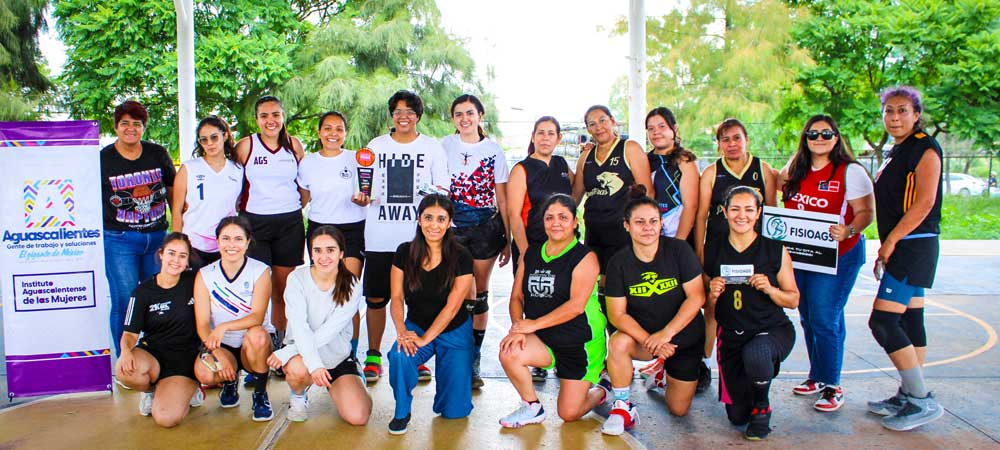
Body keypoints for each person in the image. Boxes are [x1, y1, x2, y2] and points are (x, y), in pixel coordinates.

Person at [779, 115, 874, 412]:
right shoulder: (796, 166)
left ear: (836, 137)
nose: (819, 138)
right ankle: (818, 376)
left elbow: (866, 212)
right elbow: (775, 180)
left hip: (839, 256)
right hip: (805, 255)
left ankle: (833, 385)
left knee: (824, 316)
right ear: (805, 138)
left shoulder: (850, 171)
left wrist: (849, 229)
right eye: (812, 133)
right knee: (810, 315)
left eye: (826, 133)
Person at [866, 86, 945, 431]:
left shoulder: (925, 149)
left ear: (916, 114)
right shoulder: (897, 151)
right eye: (888, 111)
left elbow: (925, 203)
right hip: (906, 244)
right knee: (911, 321)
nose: (894, 118)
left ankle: (920, 398)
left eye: (901, 111)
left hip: (914, 244)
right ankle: (909, 393)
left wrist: (892, 241)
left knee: (882, 322)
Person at [498, 194, 610, 428]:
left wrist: (533, 325)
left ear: (575, 222)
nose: (556, 223)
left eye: (563, 217)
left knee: (569, 413)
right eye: (550, 218)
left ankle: (603, 388)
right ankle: (532, 407)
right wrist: (518, 326)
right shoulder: (531, 253)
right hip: (545, 339)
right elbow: (517, 296)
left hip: (579, 342)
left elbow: (576, 306)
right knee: (510, 350)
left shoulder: (585, 257)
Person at [361, 90, 449, 384]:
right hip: (379, 236)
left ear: (418, 116)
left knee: (418, 298)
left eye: (409, 111)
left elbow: (443, 190)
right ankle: (373, 354)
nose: (403, 116)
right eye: (398, 111)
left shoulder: (432, 147)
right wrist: (362, 198)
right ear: (392, 116)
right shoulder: (376, 146)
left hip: (418, 239)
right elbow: (365, 187)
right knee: (376, 297)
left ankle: (417, 352)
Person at [602, 197, 706, 435]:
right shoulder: (619, 263)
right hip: (646, 340)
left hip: (684, 339)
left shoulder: (679, 250)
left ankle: (661, 373)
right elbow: (616, 315)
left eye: (653, 221)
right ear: (627, 225)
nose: (648, 227)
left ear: (661, 224)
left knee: (678, 409)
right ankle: (623, 406)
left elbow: (697, 297)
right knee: (618, 341)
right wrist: (653, 342)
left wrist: (665, 335)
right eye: (639, 222)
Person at [703, 186, 798, 440]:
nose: (741, 215)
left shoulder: (774, 249)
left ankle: (762, 408)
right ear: (724, 212)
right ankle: (753, 388)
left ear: (759, 213)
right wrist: (711, 294)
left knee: (757, 353)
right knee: (736, 417)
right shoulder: (712, 249)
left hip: (771, 330)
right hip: (732, 335)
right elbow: (706, 306)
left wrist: (770, 290)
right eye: (734, 209)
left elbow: (793, 300)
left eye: (748, 209)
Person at [695, 118, 777, 390]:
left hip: (753, 250)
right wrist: (699, 252)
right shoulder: (711, 172)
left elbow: (775, 213)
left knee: (755, 302)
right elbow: (700, 215)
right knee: (713, 306)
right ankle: (705, 364)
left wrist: (775, 254)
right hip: (720, 249)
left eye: (736, 138)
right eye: (725, 139)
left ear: (746, 139)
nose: (731, 144)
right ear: (719, 144)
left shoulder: (762, 170)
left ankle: (755, 358)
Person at [386, 194, 475, 434]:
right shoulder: (404, 252)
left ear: (449, 223)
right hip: (417, 326)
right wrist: (402, 331)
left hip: (454, 331)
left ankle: (455, 390)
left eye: (441, 219)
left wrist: (427, 340)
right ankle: (402, 411)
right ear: (418, 220)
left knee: (454, 412)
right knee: (399, 355)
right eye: (428, 218)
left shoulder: (462, 256)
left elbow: (453, 307)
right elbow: (396, 298)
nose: (434, 225)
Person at [267, 226, 372, 424]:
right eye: (317, 250)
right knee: (297, 368)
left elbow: (329, 331)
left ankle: (354, 378)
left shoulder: (352, 284)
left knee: (358, 417)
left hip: (336, 356)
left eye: (330, 250)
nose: (324, 256)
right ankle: (298, 396)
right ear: (311, 253)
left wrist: (286, 352)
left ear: (341, 253)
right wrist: (312, 364)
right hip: (302, 357)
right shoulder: (297, 278)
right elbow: (299, 326)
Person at [442, 94, 511, 389]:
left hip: (485, 228)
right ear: (453, 118)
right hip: (453, 228)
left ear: (480, 115)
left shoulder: (493, 151)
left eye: (470, 113)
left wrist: (507, 237)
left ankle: (474, 358)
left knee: (478, 294)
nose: (464, 118)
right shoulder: (444, 145)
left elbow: (502, 196)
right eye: (459, 114)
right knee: (458, 292)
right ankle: (455, 356)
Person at [101, 100, 176, 356]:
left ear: (144, 127)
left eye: (137, 124)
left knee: (160, 298)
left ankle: (157, 355)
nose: (131, 128)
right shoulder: (103, 159)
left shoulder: (157, 154)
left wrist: (176, 232)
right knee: (125, 301)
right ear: (116, 126)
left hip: (156, 238)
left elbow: (174, 192)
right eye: (125, 123)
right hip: (119, 239)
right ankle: (126, 362)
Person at [573, 105, 653, 333]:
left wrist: (644, 230)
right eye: (592, 123)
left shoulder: (629, 148)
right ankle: (606, 352)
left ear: (613, 121)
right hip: (595, 233)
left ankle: (629, 348)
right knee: (599, 294)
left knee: (625, 292)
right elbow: (576, 195)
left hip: (623, 234)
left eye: (602, 120)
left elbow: (648, 193)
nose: (598, 127)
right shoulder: (586, 156)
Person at [506, 116, 575, 383]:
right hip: (532, 245)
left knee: (558, 299)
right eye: (540, 133)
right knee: (532, 300)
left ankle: (559, 354)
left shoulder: (561, 165)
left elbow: (575, 194)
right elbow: (514, 215)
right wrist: (525, 253)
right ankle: (535, 358)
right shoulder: (522, 169)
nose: (545, 137)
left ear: (558, 138)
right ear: (533, 137)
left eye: (551, 133)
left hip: (561, 247)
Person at [297, 111, 368, 362]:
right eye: (327, 128)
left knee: (348, 292)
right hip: (319, 230)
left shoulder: (357, 159)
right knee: (324, 293)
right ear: (319, 133)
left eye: (339, 129)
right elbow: (302, 200)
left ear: (345, 133)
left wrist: (365, 200)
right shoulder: (307, 163)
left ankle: (351, 354)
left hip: (352, 229)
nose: (333, 134)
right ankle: (317, 350)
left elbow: (369, 194)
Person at [235, 95, 306, 348]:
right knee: (258, 288)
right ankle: (256, 342)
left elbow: (304, 188)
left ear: (283, 116)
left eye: (275, 114)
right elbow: (232, 183)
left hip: (289, 223)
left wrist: (289, 208)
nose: (270, 120)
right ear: (256, 119)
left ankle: (280, 338)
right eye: (264, 115)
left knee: (283, 289)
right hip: (255, 224)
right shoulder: (246, 146)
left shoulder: (294, 146)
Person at [115, 233, 203, 427]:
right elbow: (130, 333)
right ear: (161, 254)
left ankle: (189, 390)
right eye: (172, 253)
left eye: (182, 255)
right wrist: (126, 351)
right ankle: (150, 392)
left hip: (184, 358)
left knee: (166, 419)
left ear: (188, 260)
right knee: (124, 371)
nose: (176, 260)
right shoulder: (143, 292)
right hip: (153, 354)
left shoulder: (195, 281)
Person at [193, 216, 275, 421]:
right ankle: (229, 383)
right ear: (217, 241)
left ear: (248, 242)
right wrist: (217, 352)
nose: (232, 245)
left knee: (257, 335)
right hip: (223, 345)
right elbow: (202, 324)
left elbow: (257, 316)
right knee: (204, 373)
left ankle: (260, 392)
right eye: (226, 238)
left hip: (252, 344)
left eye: (238, 239)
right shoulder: (205, 274)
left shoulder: (261, 270)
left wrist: (223, 327)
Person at [172, 116, 243, 270]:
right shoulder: (188, 169)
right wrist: (179, 245)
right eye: (204, 140)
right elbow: (177, 210)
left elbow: (237, 205)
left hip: (225, 246)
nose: (210, 143)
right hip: (194, 246)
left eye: (214, 137)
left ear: (225, 136)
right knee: (194, 292)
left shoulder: (238, 170)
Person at [645, 107, 699, 241]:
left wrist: (678, 244)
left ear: (674, 129)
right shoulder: (643, 160)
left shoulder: (684, 160)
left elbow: (691, 206)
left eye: (662, 126)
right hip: (648, 237)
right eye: (651, 129)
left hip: (678, 238)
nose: (656, 132)